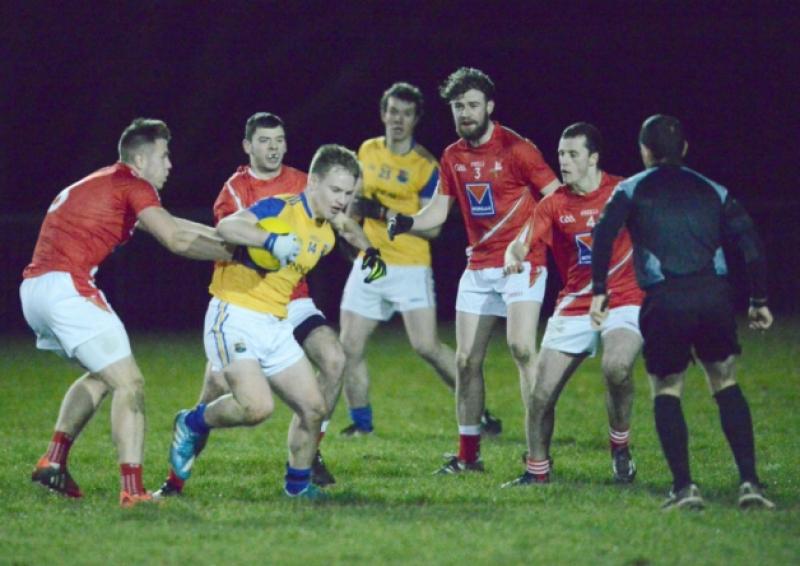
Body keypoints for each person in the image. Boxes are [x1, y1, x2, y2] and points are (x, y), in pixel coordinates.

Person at [22, 118, 233, 507]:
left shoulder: (109, 180)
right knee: (130, 384)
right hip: (67, 287)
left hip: (35, 291)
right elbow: (176, 239)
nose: (170, 165)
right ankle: (133, 491)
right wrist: (239, 253)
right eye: (164, 156)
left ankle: (53, 460)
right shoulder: (132, 184)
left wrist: (226, 237)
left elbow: (169, 224)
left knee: (104, 377)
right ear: (140, 158)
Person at [153, 113, 358, 497]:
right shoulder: (280, 208)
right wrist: (269, 242)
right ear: (312, 182)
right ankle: (192, 422)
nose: (342, 200)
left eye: (348, 193)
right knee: (257, 408)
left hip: (275, 322)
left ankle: (297, 488)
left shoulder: (326, 235)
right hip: (234, 313)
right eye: (335, 191)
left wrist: (370, 252)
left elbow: (348, 228)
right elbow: (227, 228)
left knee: (314, 409)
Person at [590, 114, 775, 510]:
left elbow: (602, 235)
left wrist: (600, 291)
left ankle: (685, 488)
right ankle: (750, 484)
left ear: (644, 151)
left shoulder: (630, 189)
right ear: (685, 149)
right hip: (713, 298)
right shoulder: (715, 190)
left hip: (665, 300)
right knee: (724, 382)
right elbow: (752, 245)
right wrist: (758, 300)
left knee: (667, 389)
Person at [389, 68, 560, 473]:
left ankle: (538, 456)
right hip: (480, 267)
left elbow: (556, 201)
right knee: (466, 361)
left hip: (522, 262)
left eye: (472, 105)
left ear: (489, 107)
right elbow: (437, 214)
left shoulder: (518, 149)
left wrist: (528, 241)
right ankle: (469, 457)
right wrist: (409, 221)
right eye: (458, 107)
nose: (465, 113)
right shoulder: (452, 156)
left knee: (521, 348)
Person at [339, 82, 501, 437]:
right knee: (348, 347)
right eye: (393, 111)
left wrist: (383, 211)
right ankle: (362, 426)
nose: (398, 119)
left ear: (416, 120)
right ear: (383, 114)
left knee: (426, 346)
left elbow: (433, 229)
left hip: (410, 267)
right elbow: (354, 204)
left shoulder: (426, 165)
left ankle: (480, 411)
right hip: (371, 262)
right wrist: (351, 238)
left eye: (406, 114)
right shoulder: (366, 150)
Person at [502, 123, 642, 486]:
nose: (562, 160)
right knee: (540, 395)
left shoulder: (624, 192)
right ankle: (537, 472)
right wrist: (514, 254)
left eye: (572, 154)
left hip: (623, 298)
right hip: (576, 305)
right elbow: (521, 241)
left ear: (593, 158)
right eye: (561, 153)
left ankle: (620, 446)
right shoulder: (553, 204)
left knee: (616, 368)